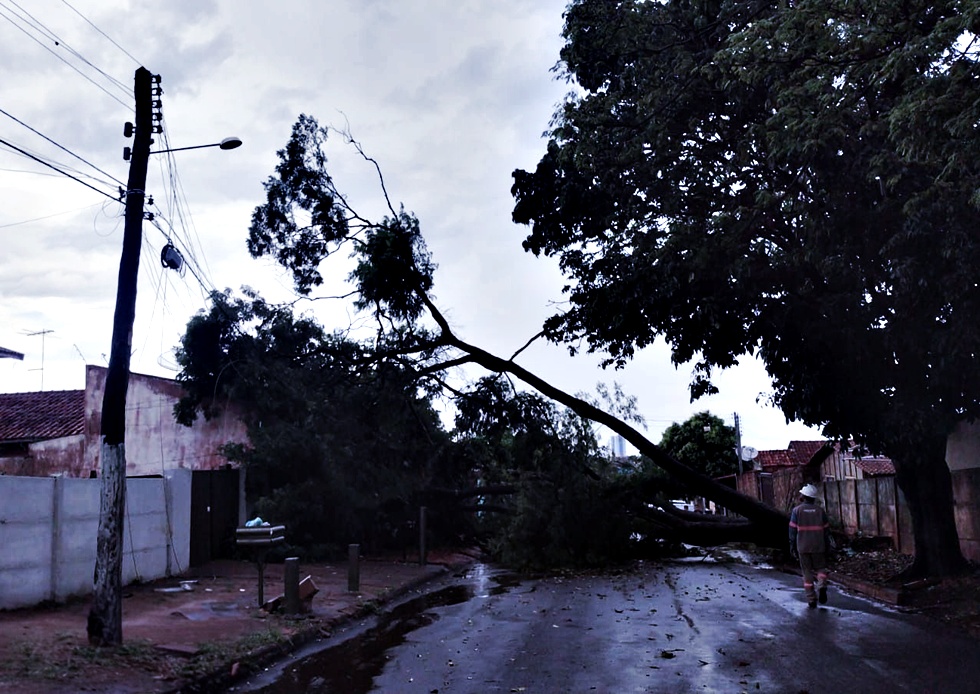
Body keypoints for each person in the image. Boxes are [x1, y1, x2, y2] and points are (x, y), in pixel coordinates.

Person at [789, 483, 831, 608]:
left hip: (802, 546)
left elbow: (792, 531)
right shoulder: (820, 511)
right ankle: (822, 585)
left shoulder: (796, 511)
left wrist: (792, 545)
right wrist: (827, 546)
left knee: (806, 572)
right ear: (813, 498)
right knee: (821, 568)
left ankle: (812, 599)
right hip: (819, 545)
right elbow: (826, 532)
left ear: (803, 496)